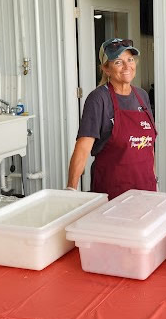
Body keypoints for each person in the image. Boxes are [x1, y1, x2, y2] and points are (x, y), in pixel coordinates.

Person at [66, 38, 156, 200]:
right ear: (106, 69)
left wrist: (154, 179)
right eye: (118, 62)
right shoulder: (98, 98)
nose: (127, 66)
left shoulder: (142, 96)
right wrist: (71, 190)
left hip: (145, 188)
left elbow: (149, 146)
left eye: (130, 60)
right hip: (113, 190)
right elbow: (83, 148)